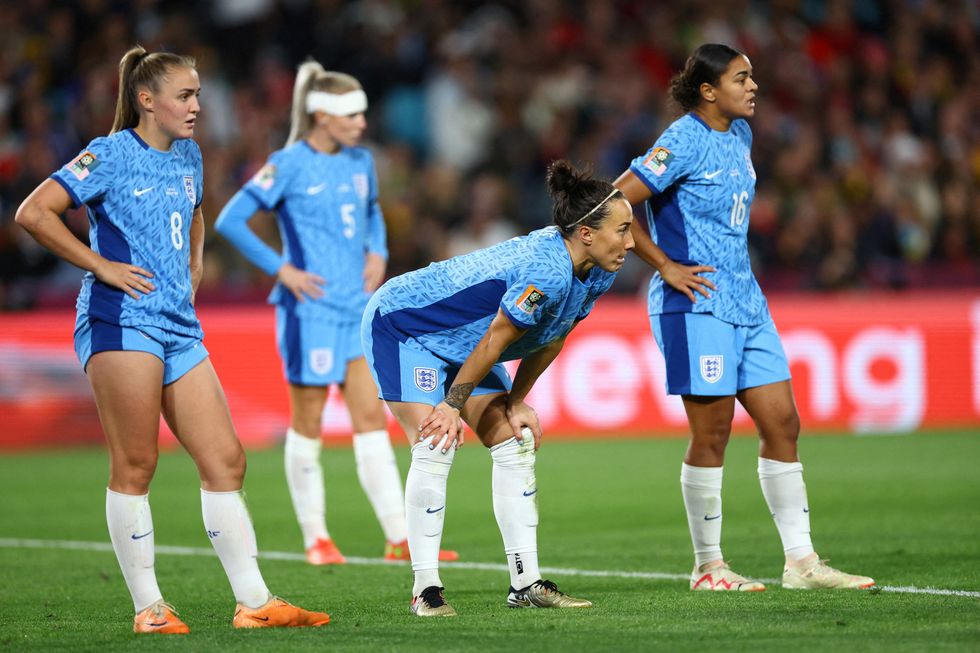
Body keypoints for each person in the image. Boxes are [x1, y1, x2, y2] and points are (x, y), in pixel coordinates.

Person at [14, 46, 330, 634]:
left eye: (198, 94)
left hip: (178, 323)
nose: (197, 106)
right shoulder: (107, 155)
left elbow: (197, 213)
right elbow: (34, 213)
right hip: (121, 319)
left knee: (226, 459)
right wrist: (100, 265)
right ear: (146, 100)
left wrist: (197, 258)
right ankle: (149, 610)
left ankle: (256, 603)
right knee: (137, 463)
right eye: (185, 95)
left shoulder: (189, 155)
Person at [613, 43, 875, 591]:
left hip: (746, 300)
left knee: (783, 422)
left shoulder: (741, 135)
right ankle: (708, 566)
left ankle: (802, 564)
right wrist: (665, 265)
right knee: (713, 432)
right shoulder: (683, 138)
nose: (753, 86)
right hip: (695, 303)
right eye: (741, 78)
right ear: (708, 90)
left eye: (753, 76)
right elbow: (614, 201)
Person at [361, 159, 633, 616]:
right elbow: (497, 338)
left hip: (466, 346)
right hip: (407, 329)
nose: (630, 242)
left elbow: (553, 337)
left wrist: (517, 400)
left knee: (514, 440)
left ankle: (525, 584)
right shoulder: (546, 269)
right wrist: (451, 405)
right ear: (586, 232)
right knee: (436, 440)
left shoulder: (599, 270)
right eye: (623, 230)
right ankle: (425, 590)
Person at [215, 60, 457, 566]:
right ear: (323, 115)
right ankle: (315, 538)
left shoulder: (361, 161)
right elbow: (231, 219)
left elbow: (371, 212)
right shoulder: (288, 163)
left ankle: (398, 536)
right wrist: (282, 270)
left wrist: (378, 251)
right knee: (308, 420)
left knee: (371, 417)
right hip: (310, 311)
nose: (362, 123)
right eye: (352, 114)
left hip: (357, 308)